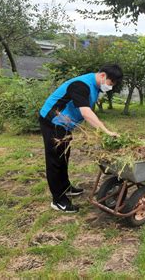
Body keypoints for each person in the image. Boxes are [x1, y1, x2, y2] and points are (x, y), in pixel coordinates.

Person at [39, 64, 123, 213]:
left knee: (64, 157)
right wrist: (105, 131)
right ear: (103, 76)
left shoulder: (94, 86)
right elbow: (85, 112)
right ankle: (58, 200)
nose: (110, 87)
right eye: (111, 83)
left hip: (65, 125)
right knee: (55, 161)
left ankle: (65, 187)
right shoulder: (81, 85)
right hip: (53, 122)